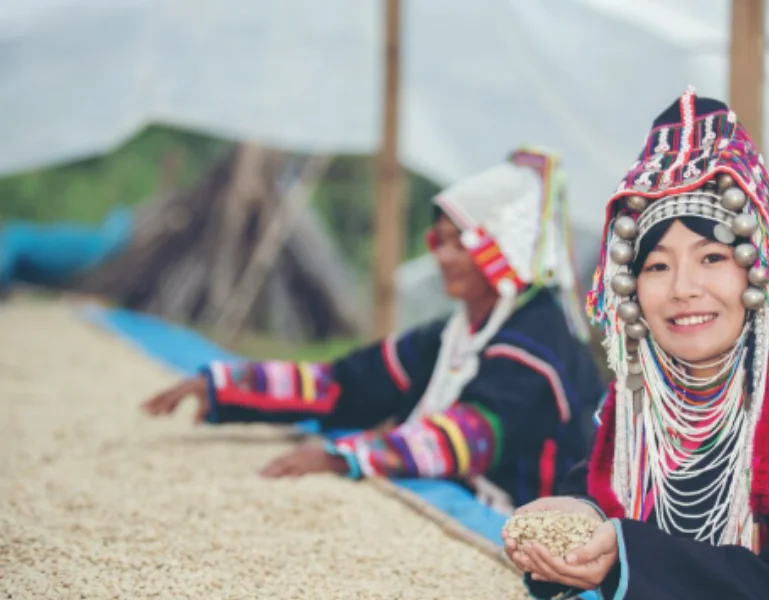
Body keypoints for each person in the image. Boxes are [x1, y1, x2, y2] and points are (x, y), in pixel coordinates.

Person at [503, 89, 769, 599]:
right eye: (658, 266)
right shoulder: (636, 405)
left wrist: (629, 555)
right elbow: (597, 493)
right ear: (632, 290)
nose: (683, 289)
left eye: (711, 258)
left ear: (756, 272)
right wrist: (577, 519)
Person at [142, 147, 606, 513]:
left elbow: (467, 439)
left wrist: (343, 457)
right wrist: (225, 383)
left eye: (458, 244)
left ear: (501, 248)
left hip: (520, 528)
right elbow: (344, 384)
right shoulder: (454, 335)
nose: (441, 257)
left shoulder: (539, 343)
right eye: (438, 242)